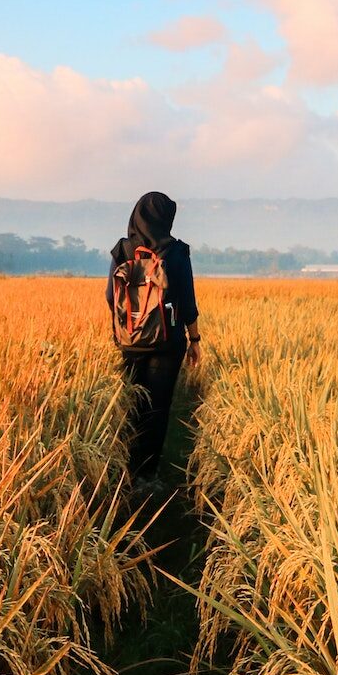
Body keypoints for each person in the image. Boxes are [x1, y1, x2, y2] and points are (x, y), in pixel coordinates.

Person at [106, 191, 201, 484]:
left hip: (129, 340)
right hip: (166, 343)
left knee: (132, 402)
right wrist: (194, 340)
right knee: (157, 407)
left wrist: (128, 324)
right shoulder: (175, 252)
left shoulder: (122, 250)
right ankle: (147, 474)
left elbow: (111, 296)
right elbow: (186, 299)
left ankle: (124, 467)